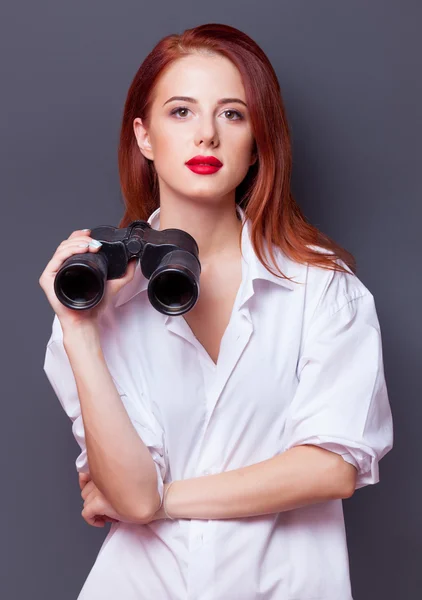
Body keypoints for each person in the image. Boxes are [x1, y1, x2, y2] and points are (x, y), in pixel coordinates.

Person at [39, 22, 393, 600]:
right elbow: (128, 495)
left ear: (258, 141)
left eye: (233, 114)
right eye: (180, 112)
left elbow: (330, 469)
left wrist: (164, 498)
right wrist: (78, 328)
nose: (206, 134)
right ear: (144, 136)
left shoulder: (323, 288)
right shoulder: (97, 303)